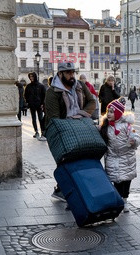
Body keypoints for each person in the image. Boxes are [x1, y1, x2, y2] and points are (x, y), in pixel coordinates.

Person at [44, 61, 96, 201]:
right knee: (65, 159)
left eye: (73, 72)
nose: (71, 75)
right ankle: (61, 189)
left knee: (81, 157)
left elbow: (92, 102)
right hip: (60, 129)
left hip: (79, 125)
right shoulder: (52, 92)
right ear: (60, 74)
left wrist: (82, 114)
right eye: (68, 73)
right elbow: (55, 118)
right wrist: (71, 122)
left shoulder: (80, 86)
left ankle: (73, 187)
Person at [99, 98, 140, 213]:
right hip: (112, 157)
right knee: (116, 181)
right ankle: (118, 201)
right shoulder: (105, 126)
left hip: (127, 158)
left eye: (112, 112)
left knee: (126, 180)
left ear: (117, 113)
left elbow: (136, 137)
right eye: (108, 111)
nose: (109, 114)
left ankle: (125, 199)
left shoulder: (126, 126)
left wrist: (134, 142)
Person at [24, 72, 47, 140]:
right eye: (30, 76)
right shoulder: (28, 86)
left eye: (32, 76)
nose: (31, 78)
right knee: (33, 119)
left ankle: (43, 132)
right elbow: (25, 95)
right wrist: (28, 102)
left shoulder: (41, 86)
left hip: (39, 105)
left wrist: (42, 103)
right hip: (32, 105)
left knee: (41, 119)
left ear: (35, 77)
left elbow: (44, 95)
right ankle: (36, 131)